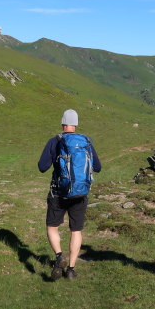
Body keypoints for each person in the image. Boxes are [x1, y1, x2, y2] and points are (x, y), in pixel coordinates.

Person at [38, 109, 101, 280]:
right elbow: (97, 167)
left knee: (52, 227)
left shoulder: (55, 141)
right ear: (76, 124)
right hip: (80, 194)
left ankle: (59, 256)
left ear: (62, 123)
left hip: (59, 193)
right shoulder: (86, 142)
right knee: (76, 230)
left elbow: (42, 167)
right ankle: (71, 269)